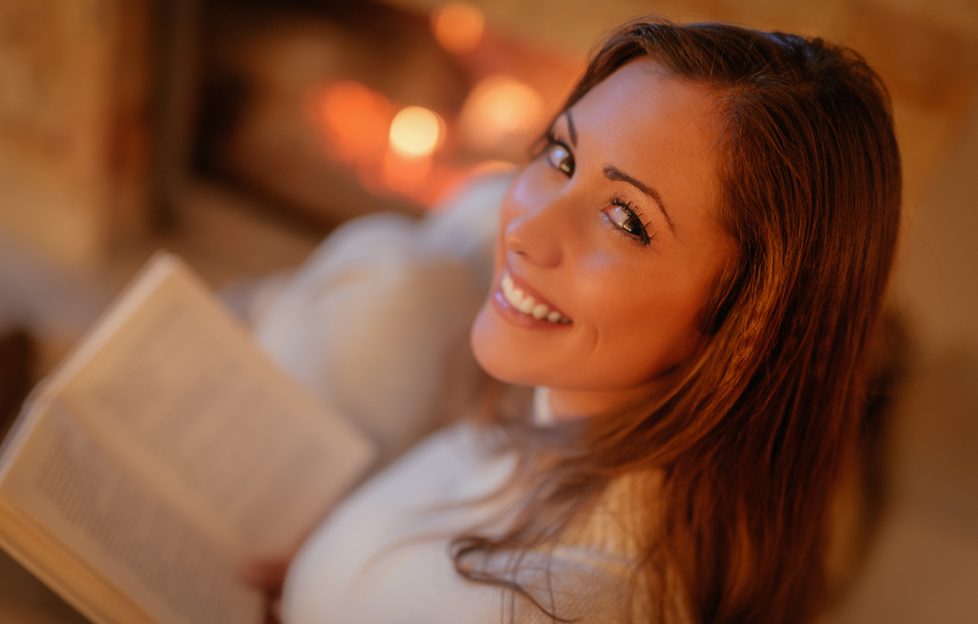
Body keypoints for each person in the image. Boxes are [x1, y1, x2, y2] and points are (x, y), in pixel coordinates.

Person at [275, 17, 901, 624]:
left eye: (626, 219)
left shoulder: (552, 607)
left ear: (747, 319)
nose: (523, 229)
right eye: (562, 156)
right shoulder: (552, 414)